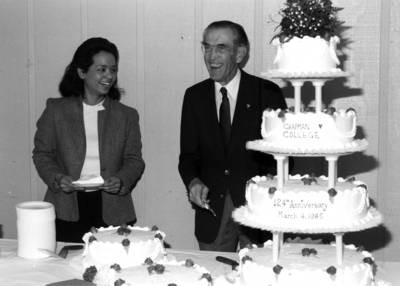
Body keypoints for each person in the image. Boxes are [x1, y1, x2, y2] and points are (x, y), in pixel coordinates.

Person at [178, 21, 288, 252]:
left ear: (239, 54)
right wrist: (193, 181)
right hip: (213, 214)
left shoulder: (267, 93)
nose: (211, 56)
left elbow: (284, 158)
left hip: (258, 214)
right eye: (207, 47)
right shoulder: (194, 96)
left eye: (220, 48)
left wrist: (264, 188)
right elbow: (188, 157)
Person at [32, 37, 145, 242]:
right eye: (101, 69)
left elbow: (134, 160)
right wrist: (57, 178)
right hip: (65, 208)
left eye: (113, 69)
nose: (109, 76)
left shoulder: (127, 115)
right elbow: (42, 154)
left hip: (113, 210)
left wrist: (121, 181)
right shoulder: (55, 110)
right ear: (82, 72)